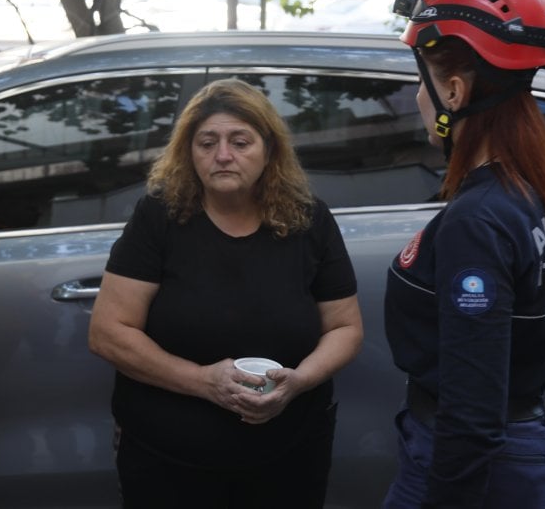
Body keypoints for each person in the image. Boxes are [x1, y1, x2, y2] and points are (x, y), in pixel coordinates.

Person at [87, 78, 363, 509]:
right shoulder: (159, 216)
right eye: (207, 142)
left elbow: (345, 327)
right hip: (169, 459)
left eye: (240, 141)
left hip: (290, 454)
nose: (222, 156)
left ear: (269, 149)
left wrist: (300, 381)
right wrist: (203, 382)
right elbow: (107, 332)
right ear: (188, 151)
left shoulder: (309, 219)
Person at [383, 0, 545, 508]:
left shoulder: (480, 219)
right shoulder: (540, 180)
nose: (416, 98)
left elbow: (472, 414)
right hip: (540, 435)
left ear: (452, 90)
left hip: (487, 466)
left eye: (420, 81)